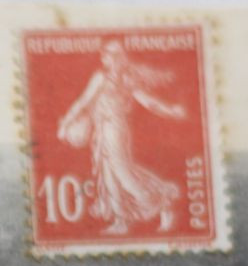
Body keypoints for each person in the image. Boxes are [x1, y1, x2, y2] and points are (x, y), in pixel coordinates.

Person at [57, 40, 188, 234]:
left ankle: (161, 203)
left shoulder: (123, 79)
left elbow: (148, 102)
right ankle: (121, 221)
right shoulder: (102, 77)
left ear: (116, 58)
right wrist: (66, 122)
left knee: (122, 172)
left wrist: (171, 111)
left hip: (115, 129)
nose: (104, 59)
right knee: (109, 174)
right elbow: (84, 101)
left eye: (107, 55)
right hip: (102, 130)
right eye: (103, 55)